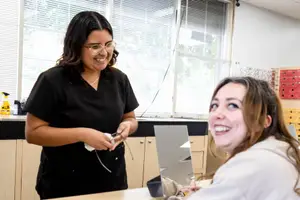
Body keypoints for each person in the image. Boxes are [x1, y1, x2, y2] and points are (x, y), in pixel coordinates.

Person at [23, 11, 139, 199]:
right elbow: (33, 133)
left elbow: (130, 118)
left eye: (108, 44)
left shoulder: (119, 79)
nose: (104, 52)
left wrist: (127, 127)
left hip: (112, 181)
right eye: (95, 46)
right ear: (77, 47)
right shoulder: (52, 80)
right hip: (64, 184)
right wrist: (82, 134)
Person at [186, 77, 300, 200]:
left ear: (262, 121)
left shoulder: (251, 163)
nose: (217, 114)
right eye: (215, 105)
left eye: (233, 105)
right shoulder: (281, 152)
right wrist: (215, 190)